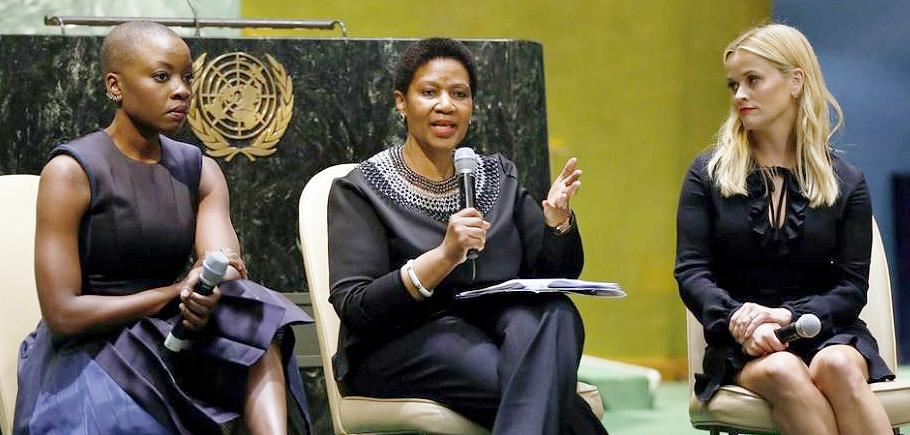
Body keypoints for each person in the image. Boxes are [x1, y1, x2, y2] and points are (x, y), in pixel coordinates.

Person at [13, 21, 312, 435]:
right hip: (91, 345)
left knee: (255, 310)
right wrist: (175, 292)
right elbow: (64, 313)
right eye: (161, 76)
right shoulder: (70, 171)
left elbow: (226, 264)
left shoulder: (199, 170)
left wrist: (206, 284)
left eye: (187, 77)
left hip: (172, 330)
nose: (182, 90)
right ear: (115, 87)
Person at [327, 38, 607, 435]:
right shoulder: (362, 189)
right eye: (429, 92)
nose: (446, 105)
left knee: (556, 312)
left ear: (472, 106)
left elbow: (552, 274)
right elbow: (357, 306)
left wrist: (557, 223)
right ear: (401, 102)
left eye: (460, 94)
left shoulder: (498, 175)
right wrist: (444, 255)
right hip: (404, 341)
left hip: (495, 330)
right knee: (550, 395)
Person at [675, 23, 893, 434]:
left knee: (839, 364)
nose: (739, 94)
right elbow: (692, 272)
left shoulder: (846, 181)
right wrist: (742, 320)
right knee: (784, 371)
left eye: (753, 80)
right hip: (742, 343)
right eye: (733, 85)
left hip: (827, 331)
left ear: (795, 81)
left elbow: (851, 288)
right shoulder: (706, 174)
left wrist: (785, 314)